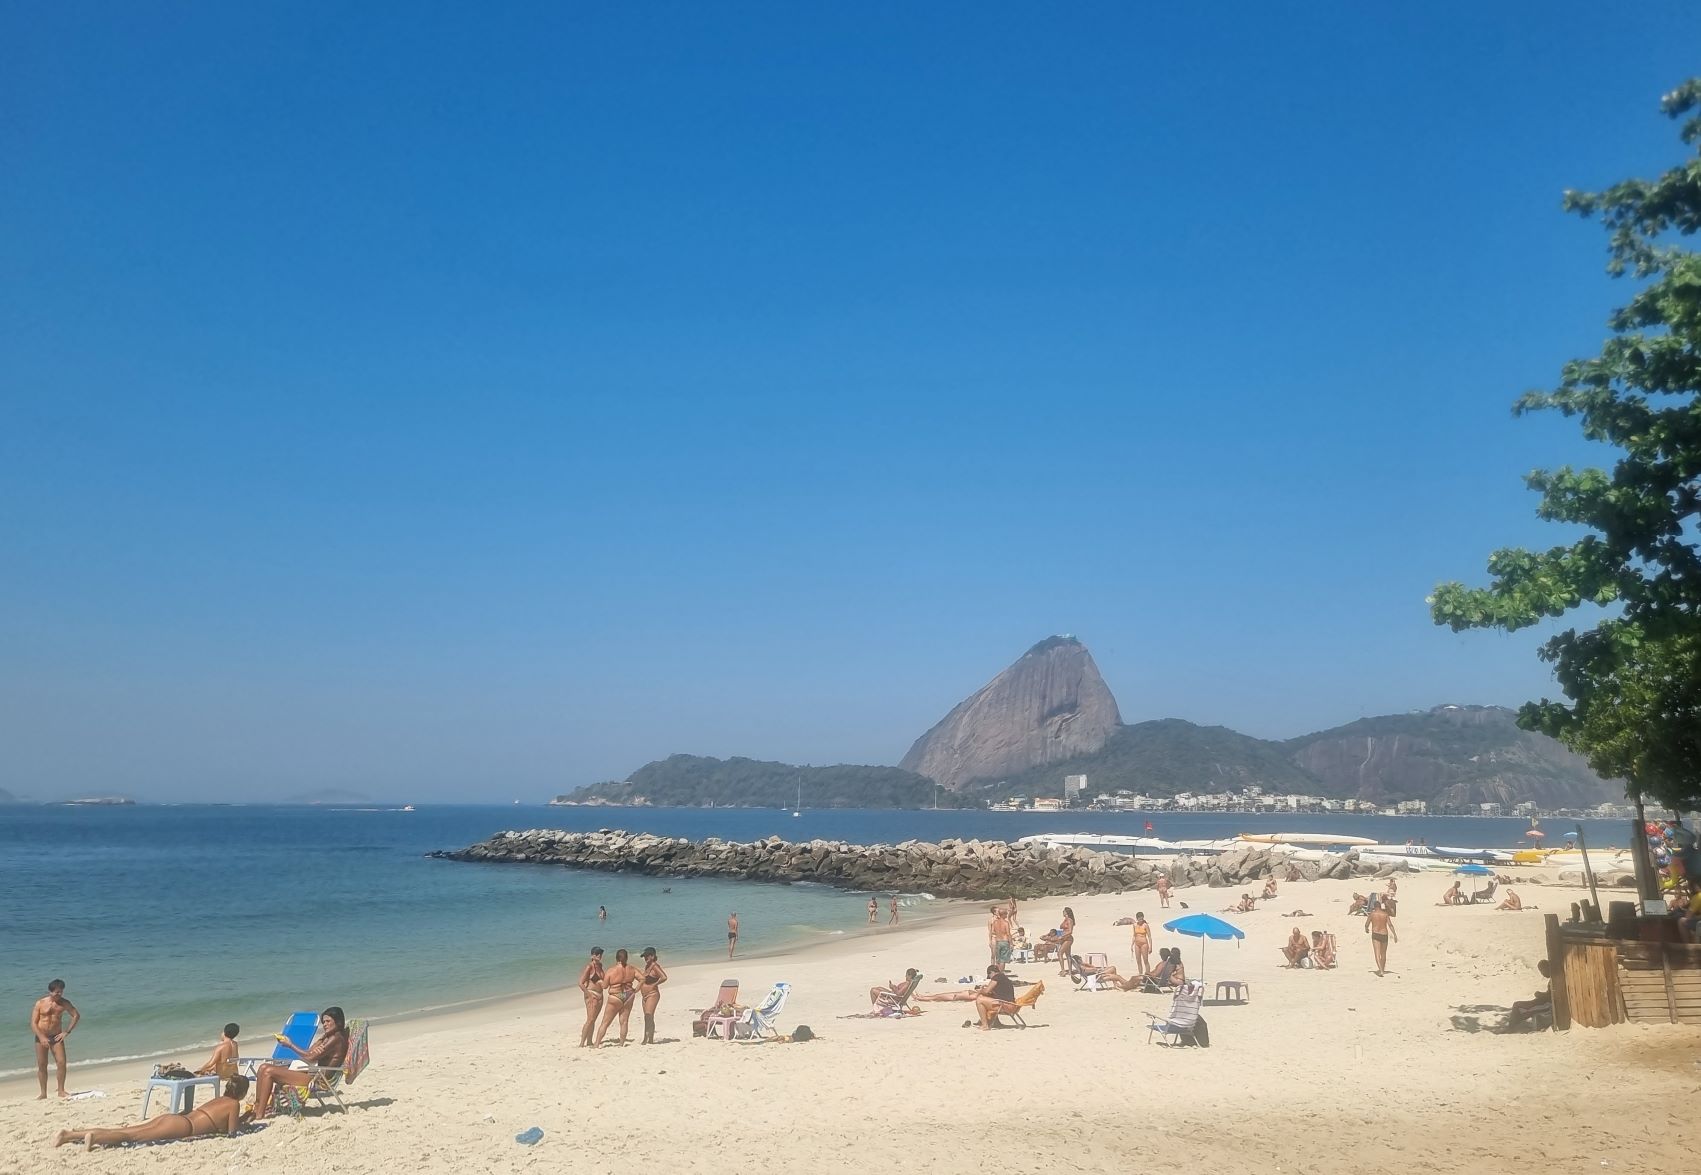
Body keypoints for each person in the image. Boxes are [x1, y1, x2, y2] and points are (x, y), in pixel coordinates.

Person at [54, 1076, 252, 1150]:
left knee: (130, 1129)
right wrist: (247, 1119)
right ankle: (94, 1137)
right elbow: (232, 1132)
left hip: (176, 1118)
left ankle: (70, 1134)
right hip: (184, 1127)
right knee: (132, 1137)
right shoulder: (233, 1104)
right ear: (241, 1093)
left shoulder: (220, 1099)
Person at [251, 1007, 347, 1118]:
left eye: (328, 1021)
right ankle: (257, 1107)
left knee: (268, 1071)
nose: (325, 1024)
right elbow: (309, 1053)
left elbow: (310, 1058)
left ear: (338, 1022)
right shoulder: (328, 1037)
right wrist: (319, 1043)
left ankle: (259, 1114)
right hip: (311, 1072)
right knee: (263, 1067)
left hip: (318, 1079)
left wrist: (290, 1045)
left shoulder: (336, 1038)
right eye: (323, 1022)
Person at [31, 979, 79, 1100]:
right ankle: (43, 1093)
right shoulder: (40, 1003)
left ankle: (61, 1090)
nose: (59, 994)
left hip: (56, 1037)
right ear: (50, 991)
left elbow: (76, 1015)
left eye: (61, 992)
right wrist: (41, 1037)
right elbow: (33, 1023)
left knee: (61, 1063)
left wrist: (66, 1032)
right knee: (42, 1065)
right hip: (41, 1037)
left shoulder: (64, 1003)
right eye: (57, 992)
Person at [594, 949, 637, 1047]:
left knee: (605, 1022)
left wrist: (599, 982)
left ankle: (596, 1044)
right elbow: (642, 978)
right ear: (626, 958)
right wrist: (636, 989)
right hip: (628, 995)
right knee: (624, 1021)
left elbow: (605, 986)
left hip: (616, 996)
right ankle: (621, 1043)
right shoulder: (632, 969)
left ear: (616, 958)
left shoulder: (611, 970)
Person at [1503, 960, 1553, 1032]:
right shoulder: (1552, 979)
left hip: (1547, 1005)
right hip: (1544, 1002)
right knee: (1517, 1005)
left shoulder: (1555, 979)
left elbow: (1551, 997)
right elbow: (1549, 994)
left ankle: (1511, 1027)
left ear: (1548, 968)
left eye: (1543, 971)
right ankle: (1513, 1026)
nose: (1542, 974)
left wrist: (1540, 995)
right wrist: (1540, 995)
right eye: (1541, 972)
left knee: (1519, 1006)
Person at [973, 965, 1021, 1030]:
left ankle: (985, 1025)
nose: (990, 978)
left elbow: (987, 991)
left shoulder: (996, 977)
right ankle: (996, 1022)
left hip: (1006, 1006)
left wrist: (980, 990)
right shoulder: (1003, 977)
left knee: (979, 1000)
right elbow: (1000, 992)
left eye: (989, 975)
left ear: (992, 972)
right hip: (1011, 1005)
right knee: (985, 998)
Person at [638, 947, 668, 1045]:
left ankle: (646, 1038)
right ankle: (649, 1038)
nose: (645, 958)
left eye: (647, 956)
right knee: (647, 1017)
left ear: (652, 956)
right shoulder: (647, 966)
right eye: (644, 956)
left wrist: (654, 984)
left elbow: (664, 977)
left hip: (652, 994)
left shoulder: (655, 966)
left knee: (648, 1016)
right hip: (645, 995)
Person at [577, 947, 606, 1048]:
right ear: (592, 955)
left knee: (593, 1019)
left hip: (600, 995)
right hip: (591, 994)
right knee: (590, 1019)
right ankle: (582, 1043)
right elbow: (580, 983)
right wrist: (589, 995)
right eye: (597, 954)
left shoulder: (600, 965)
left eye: (600, 954)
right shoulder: (589, 966)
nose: (599, 956)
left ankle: (589, 1041)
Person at [1365, 903, 1397, 976]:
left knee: (1377, 953)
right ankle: (1382, 968)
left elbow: (1367, 924)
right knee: (1383, 954)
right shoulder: (1385, 914)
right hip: (1384, 934)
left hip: (1376, 934)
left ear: (1374, 907)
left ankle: (1381, 970)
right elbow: (1390, 925)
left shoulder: (1372, 914)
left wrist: (1366, 929)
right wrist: (1395, 935)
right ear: (1380, 907)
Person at [1054, 907, 1076, 976]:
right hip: (1064, 939)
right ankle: (1069, 971)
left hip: (1068, 939)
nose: (1063, 912)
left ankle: (1063, 971)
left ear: (1066, 912)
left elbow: (1070, 931)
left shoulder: (1069, 920)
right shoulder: (1065, 920)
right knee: (1067, 955)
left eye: (1064, 911)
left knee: (1060, 953)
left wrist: (1062, 936)